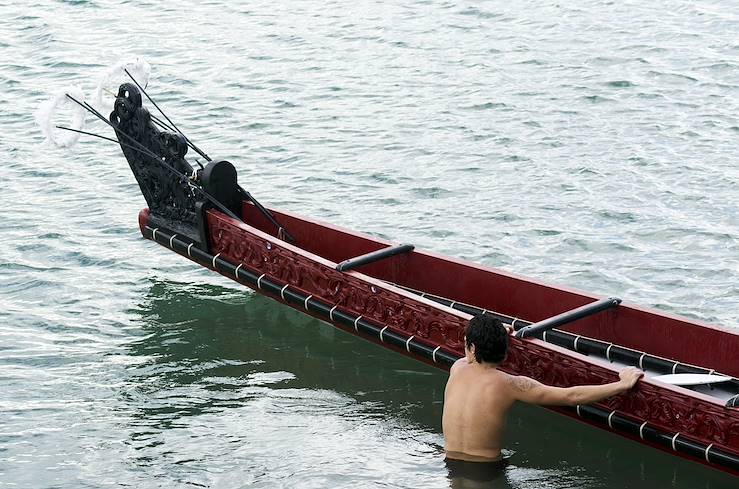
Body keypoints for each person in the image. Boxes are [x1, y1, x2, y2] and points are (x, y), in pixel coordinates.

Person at [443, 314, 643, 468]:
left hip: (450, 463)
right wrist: (621, 384)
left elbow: (471, 356)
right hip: (486, 469)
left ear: (471, 348)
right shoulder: (509, 385)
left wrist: (491, 337)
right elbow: (571, 396)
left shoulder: (457, 368)